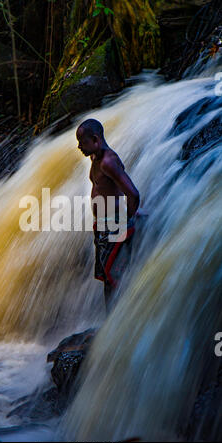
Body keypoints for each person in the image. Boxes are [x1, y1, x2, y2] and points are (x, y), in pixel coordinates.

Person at [76, 118, 141, 311]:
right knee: (106, 275)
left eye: (82, 142)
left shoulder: (108, 161)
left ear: (95, 139)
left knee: (114, 276)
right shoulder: (95, 158)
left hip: (114, 225)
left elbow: (133, 193)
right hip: (103, 224)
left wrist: (126, 218)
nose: (79, 147)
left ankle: (117, 322)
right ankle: (111, 323)